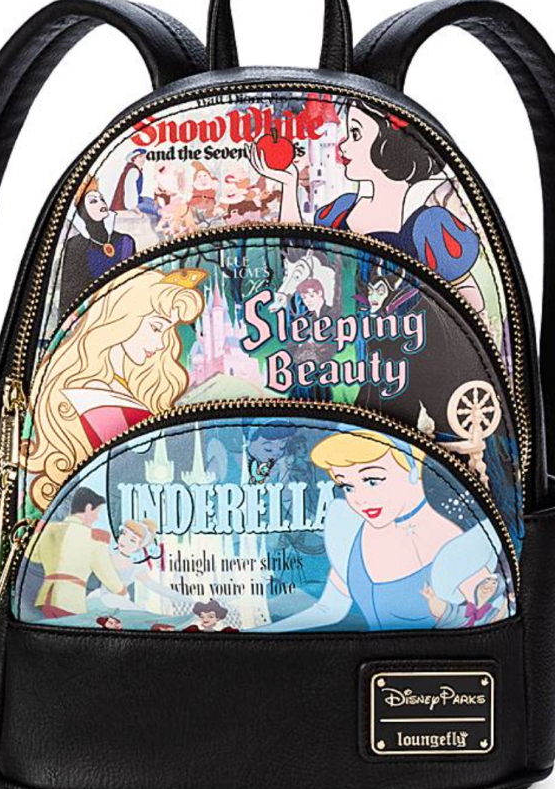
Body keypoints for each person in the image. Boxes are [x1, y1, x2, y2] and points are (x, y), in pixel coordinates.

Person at [249, 101, 484, 313]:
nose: (342, 144)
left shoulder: (429, 226)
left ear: (388, 144)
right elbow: (298, 256)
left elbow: (471, 301)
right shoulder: (342, 210)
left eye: (355, 133)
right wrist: (289, 185)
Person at [256, 430, 503, 632]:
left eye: (372, 481)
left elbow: (488, 622)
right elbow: (328, 610)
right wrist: (258, 636)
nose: (360, 499)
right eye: (347, 486)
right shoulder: (351, 530)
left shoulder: (451, 544)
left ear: (414, 469)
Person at [27, 267, 206, 511]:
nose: (161, 343)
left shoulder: (111, 390)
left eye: (167, 332)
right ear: (122, 318)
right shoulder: (94, 398)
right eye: (156, 328)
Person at [28, 488, 129, 619]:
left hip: (45, 599)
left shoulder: (48, 529)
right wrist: (121, 591)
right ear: (88, 508)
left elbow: (32, 556)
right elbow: (105, 571)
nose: (97, 517)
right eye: (97, 512)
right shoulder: (95, 537)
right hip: (70, 602)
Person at [59, 176, 136, 314]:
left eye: (101, 199)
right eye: (93, 201)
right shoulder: (75, 245)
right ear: (82, 211)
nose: (101, 203)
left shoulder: (125, 241)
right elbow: (69, 297)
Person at [111, 148, 159, 223]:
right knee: (159, 210)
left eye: (144, 157)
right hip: (125, 204)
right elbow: (129, 189)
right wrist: (133, 207)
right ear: (134, 159)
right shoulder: (133, 171)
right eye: (140, 157)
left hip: (135, 200)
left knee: (153, 202)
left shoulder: (134, 169)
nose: (143, 160)